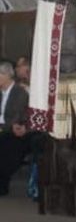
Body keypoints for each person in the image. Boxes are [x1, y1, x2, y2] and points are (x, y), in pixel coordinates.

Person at [0, 61, 29, 195]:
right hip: (4, 130)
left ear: (7, 76)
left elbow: (14, 120)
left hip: (16, 132)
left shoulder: (20, 93)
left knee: (6, 144)